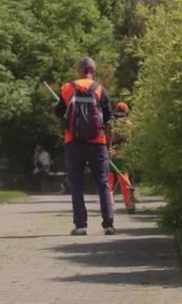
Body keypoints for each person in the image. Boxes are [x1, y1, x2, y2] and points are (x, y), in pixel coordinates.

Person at [54, 57, 115, 236]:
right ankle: (108, 224)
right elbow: (110, 120)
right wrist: (109, 145)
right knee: (103, 184)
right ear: (93, 71)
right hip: (98, 143)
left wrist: (66, 121)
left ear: (79, 70)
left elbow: (57, 113)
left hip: (73, 142)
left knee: (77, 185)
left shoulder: (67, 88)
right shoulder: (100, 90)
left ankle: (80, 225)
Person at [108, 102, 137, 213]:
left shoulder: (110, 122)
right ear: (125, 111)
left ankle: (109, 205)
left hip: (109, 153)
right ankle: (129, 204)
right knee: (124, 180)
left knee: (109, 181)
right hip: (122, 154)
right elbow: (132, 139)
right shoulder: (127, 123)